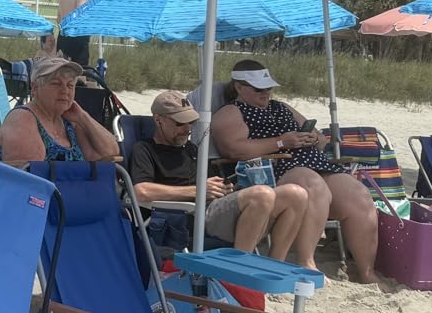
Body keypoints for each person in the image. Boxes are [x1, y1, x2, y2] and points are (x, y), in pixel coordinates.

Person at [210, 59, 380, 283]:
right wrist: (281, 142)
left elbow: (321, 140)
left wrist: (312, 137)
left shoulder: (281, 107)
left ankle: (367, 271)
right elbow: (234, 149)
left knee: (359, 195)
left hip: (315, 162)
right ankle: (305, 261)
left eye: (269, 88)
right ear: (239, 87)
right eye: (259, 89)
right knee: (314, 186)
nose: (266, 93)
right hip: (277, 165)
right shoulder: (231, 113)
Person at [130, 90, 309, 261]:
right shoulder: (144, 150)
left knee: (296, 195)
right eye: (179, 123)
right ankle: (237, 270)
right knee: (261, 194)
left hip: (213, 207)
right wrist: (198, 190)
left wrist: (224, 187)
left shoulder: (190, 149)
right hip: (188, 216)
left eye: (190, 122)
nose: (187, 129)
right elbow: (141, 192)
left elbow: (210, 185)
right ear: (158, 120)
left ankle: (274, 265)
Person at [0, 53, 120, 165]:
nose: (65, 90)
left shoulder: (71, 122)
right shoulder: (22, 118)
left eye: (70, 85)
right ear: (35, 88)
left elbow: (110, 152)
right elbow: (31, 176)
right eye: (56, 83)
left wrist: (83, 117)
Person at [54, 0, 93, 68]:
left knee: (62, 71)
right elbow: (81, 16)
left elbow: (59, 18)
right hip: (77, 37)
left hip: (63, 36)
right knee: (79, 74)